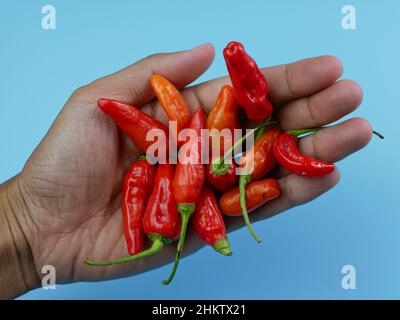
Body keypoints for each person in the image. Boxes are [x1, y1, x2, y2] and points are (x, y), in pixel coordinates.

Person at [0, 44, 372, 299]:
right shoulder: (186, 168)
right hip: (203, 178)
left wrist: (26, 226)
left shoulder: (199, 163)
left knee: (237, 165)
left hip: (210, 173)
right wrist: (24, 225)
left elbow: (196, 157)